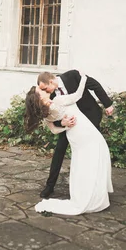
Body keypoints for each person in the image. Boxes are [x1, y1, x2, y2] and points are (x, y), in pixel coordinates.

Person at [25, 72, 113, 215]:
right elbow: (53, 117)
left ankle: (97, 188)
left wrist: (107, 104)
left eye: (45, 88)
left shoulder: (72, 76)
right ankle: (50, 186)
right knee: (60, 151)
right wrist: (64, 124)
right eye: (43, 90)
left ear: (52, 82)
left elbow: (94, 85)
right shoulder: (49, 96)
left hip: (89, 117)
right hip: (70, 126)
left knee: (93, 154)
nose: (46, 92)